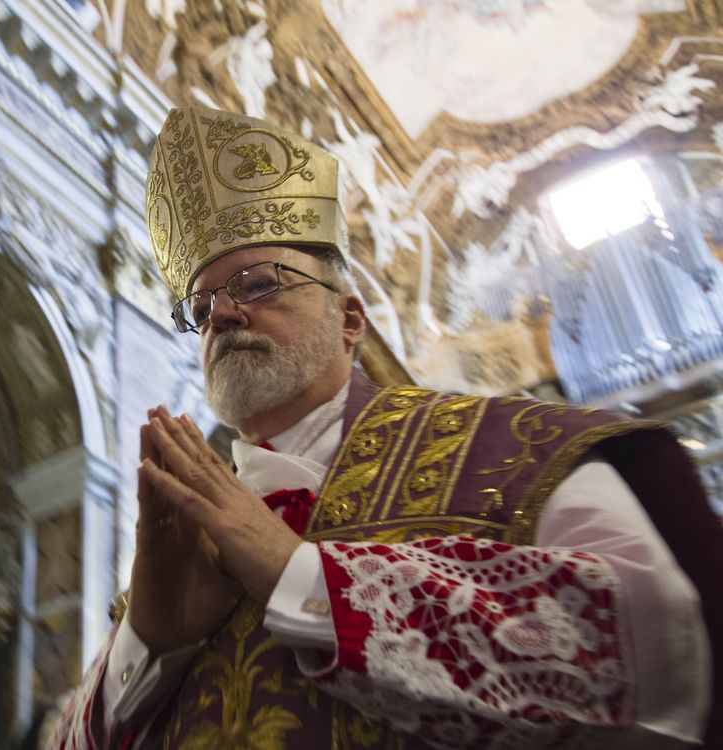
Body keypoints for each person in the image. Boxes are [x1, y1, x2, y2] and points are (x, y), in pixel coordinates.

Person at [45, 105, 722, 749]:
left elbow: (657, 653)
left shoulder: (517, 450)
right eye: (200, 307)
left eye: (257, 284)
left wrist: (297, 575)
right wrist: (153, 641)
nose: (221, 313)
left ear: (350, 320)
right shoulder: (183, 540)